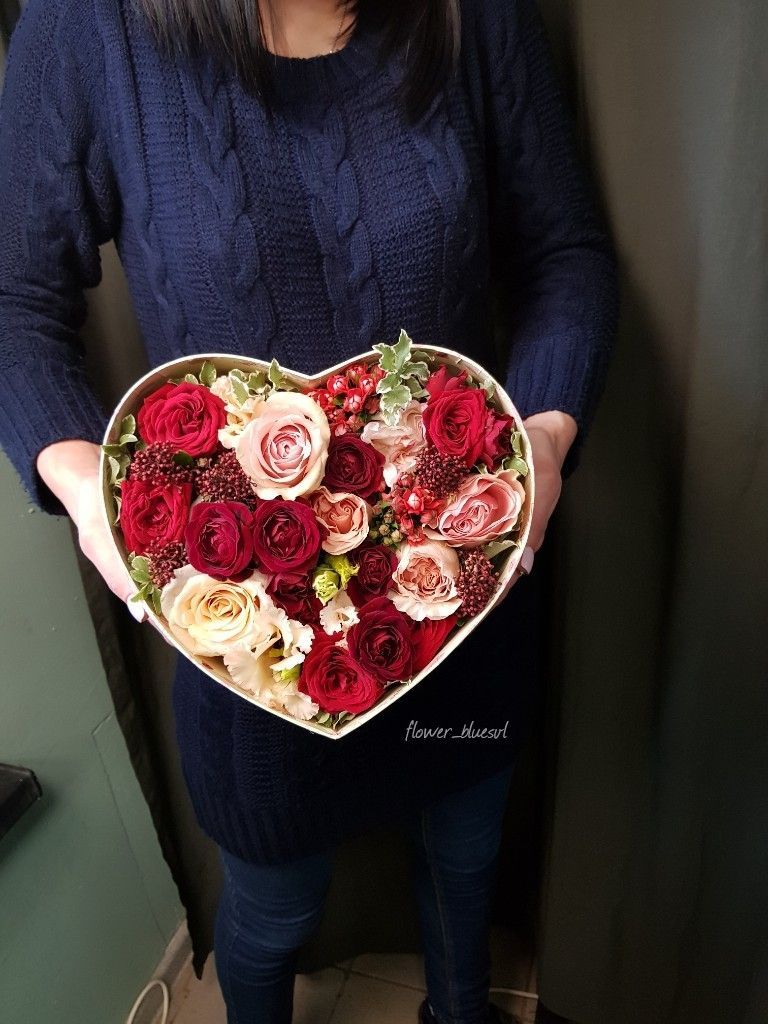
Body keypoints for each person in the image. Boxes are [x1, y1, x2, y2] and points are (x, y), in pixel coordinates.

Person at [0, 0, 619, 1021]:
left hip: (464, 597)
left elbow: (568, 254)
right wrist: (85, 490)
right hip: (246, 634)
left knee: (464, 860)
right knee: (273, 908)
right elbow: (16, 301)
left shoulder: (476, 15)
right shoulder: (86, 29)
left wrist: (543, 439)